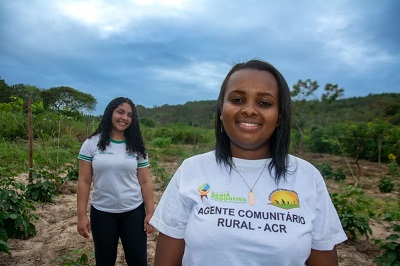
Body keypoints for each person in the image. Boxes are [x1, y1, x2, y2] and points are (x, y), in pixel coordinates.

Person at [149, 59, 347, 265]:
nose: (249, 110)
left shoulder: (307, 177)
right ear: (221, 109)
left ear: (279, 116)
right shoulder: (191, 170)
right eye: (237, 100)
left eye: (264, 103)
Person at [77, 97, 155, 266]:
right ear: (110, 113)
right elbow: (84, 181)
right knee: (104, 261)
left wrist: (150, 212)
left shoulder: (137, 146)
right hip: (102, 212)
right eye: (120, 112)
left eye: (129, 115)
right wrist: (81, 216)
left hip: (133, 212)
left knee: (138, 261)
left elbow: (145, 181)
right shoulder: (91, 144)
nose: (124, 118)